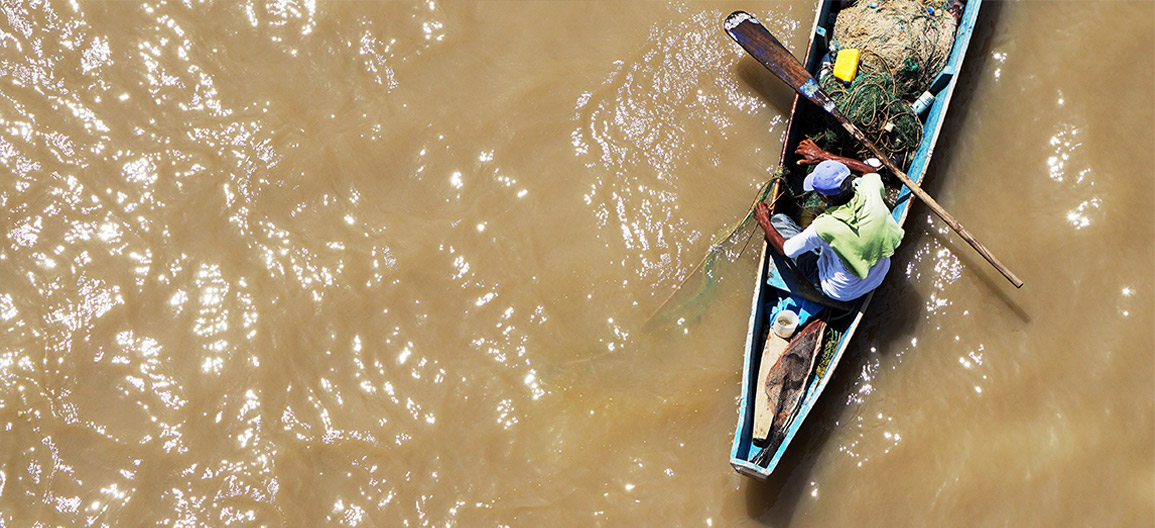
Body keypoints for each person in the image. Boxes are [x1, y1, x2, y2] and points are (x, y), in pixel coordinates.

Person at [752, 139, 905, 302]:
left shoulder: (823, 226)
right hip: (879, 274)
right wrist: (823, 155)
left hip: (841, 291)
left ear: (824, 196)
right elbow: (869, 170)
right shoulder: (870, 189)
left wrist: (764, 221)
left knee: (779, 220)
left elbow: (786, 249)